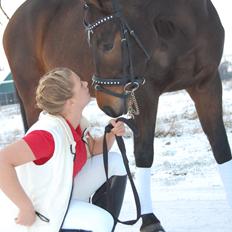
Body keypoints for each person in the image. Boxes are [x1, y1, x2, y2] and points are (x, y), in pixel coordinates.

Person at [0, 67, 127, 232]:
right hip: (43, 208)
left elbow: (94, 148)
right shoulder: (47, 135)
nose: (85, 83)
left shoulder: (74, 124)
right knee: (101, 221)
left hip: (62, 192)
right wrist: (25, 207)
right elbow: (3, 160)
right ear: (70, 101)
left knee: (115, 162)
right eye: (80, 84)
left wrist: (111, 134)